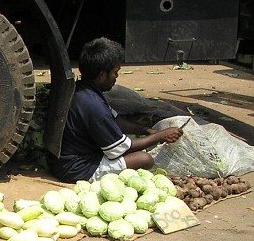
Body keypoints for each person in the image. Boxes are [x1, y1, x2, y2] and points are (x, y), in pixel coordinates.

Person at [48, 37, 183, 183]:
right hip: (76, 169)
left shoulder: (84, 90)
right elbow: (120, 149)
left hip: (64, 161)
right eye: (115, 72)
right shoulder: (94, 105)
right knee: (144, 159)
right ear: (102, 75)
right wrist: (161, 136)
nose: (116, 77)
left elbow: (116, 120)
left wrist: (147, 131)